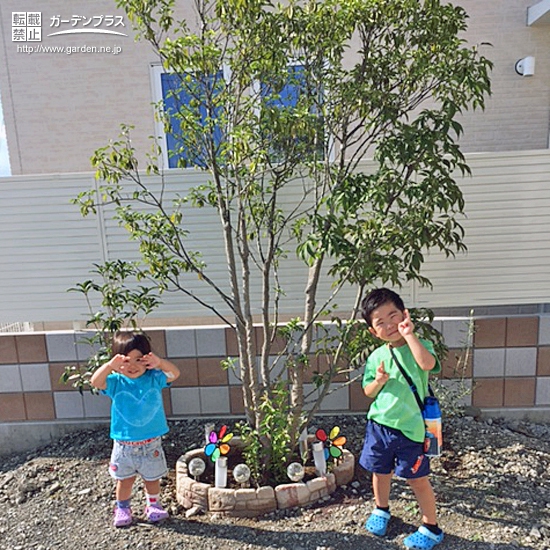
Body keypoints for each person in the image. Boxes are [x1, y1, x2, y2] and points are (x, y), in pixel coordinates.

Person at [359, 288, 444, 549]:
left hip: (411, 430)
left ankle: (431, 526)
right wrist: (379, 381)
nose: (389, 325)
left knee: (417, 479)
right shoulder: (376, 357)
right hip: (380, 427)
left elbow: (427, 364)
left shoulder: (419, 345)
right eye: (380, 322)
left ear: (404, 315)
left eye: (393, 316)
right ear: (373, 332)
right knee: (380, 472)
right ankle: (381, 509)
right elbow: (368, 392)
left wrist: (410, 335)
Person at [91, 331, 180, 528]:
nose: (133, 366)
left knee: (152, 477)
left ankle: (153, 505)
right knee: (124, 480)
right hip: (124, 445)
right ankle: (122, 508)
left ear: (148, 359)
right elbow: (95, 382)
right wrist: (108, 367)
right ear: (116, 361)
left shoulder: (154, 378)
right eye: (126, 360)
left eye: (139, 359)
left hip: (151, 443)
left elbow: (174, 374)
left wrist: (160, 363)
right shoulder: (115, 382)